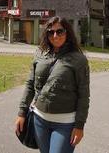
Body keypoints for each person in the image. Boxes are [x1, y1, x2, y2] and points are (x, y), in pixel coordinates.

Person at [15, 16, 90, 153]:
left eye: (60, 31)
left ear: (67, 32)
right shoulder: (40, 53)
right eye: (51, 32)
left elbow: (83, 96)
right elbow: (30, 84)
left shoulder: (79, 60)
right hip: (39, 120)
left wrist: (79, 126)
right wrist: (22, 113)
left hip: (65, 124)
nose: (55, 35)